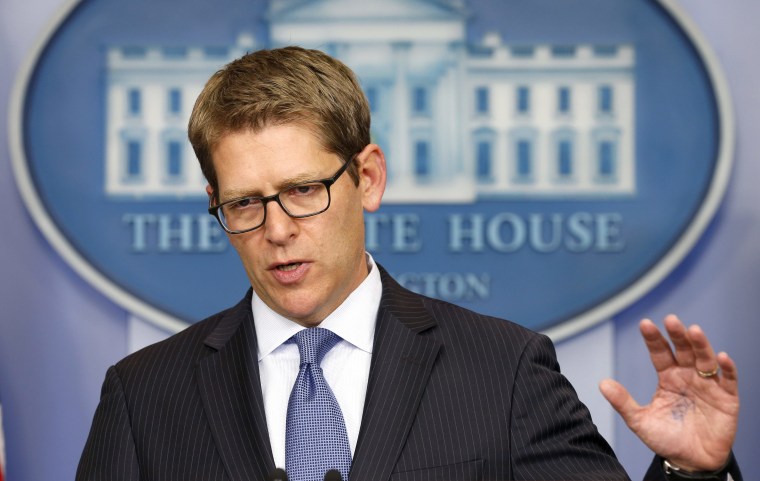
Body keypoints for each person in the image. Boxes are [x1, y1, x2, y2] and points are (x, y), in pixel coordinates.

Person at [76, 46, 741, 481]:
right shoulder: (144, 395)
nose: (276, 229)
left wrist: (694, 475)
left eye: (305, 190)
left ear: (368, 177)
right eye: (245, 202)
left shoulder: (503, 370)